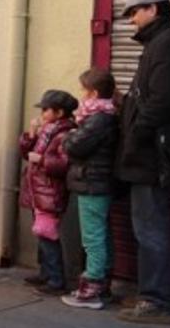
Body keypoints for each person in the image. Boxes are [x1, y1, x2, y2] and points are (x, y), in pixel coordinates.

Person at [115, 0, 170, 325]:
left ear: (154, 10)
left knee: (151, 228)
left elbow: (160, 103)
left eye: (135, 11)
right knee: (146, 226)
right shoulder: (158, 45)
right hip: (145, 150)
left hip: (151, 152)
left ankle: (156, 301)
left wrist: (135, 135)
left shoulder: (167, 45)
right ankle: (150, 292)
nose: (132, 19)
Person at [60, 68, 119, 310]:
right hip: (98, 182)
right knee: (100, 235)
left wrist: (68, 136)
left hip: (92, 183)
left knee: (92, 238)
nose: (81, 95)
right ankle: (102, 284)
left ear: (93, 93)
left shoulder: (98, 119)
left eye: (83, 90)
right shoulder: (106, 115)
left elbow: (74, 146)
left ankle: (92, 288)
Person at [19, 90, 78, 296]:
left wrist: (41, 160)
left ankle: (55, 280)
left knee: (48, 235)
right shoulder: (47, 130)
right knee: (42, 233)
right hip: (39, 191)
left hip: (50, 192)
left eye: (46, 110)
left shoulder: (64, 134)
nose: (42, 113)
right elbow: (26, 152)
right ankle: (45, 272)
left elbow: (63, 164)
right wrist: (31, 134)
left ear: (59, 112)